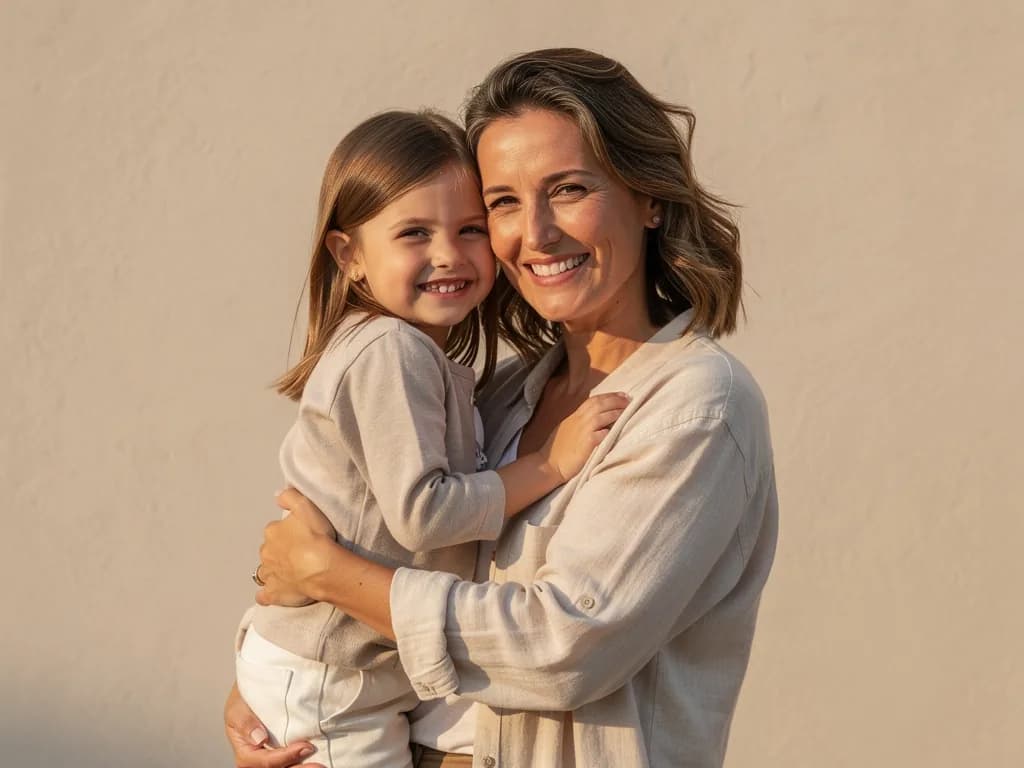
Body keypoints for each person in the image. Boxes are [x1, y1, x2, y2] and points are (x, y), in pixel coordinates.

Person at [226, 48, 778, 768]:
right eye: (503, 203)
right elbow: (361, 532)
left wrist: (328, 576)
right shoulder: (497, 395)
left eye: (569, 189)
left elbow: (564, 647)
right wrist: (277, 683)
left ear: (650, 199)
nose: (535, 233)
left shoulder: (696, 408)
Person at [232, 109, 629, 768]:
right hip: (337, 677)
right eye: (415, 232)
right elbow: (425, 513)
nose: (449, 254)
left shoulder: (429, 362)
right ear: (348, 255)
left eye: (470, 229)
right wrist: (549, 464)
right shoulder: (389, 350)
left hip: (344, 672)